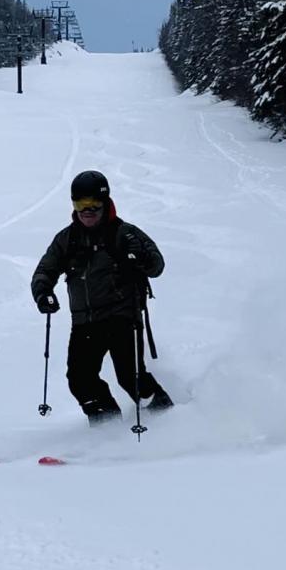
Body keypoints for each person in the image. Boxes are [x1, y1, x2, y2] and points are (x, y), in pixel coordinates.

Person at [31, 170, 174, 426]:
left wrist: (139, 259)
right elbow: (45, 269)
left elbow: (157, 265)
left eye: (93, 205)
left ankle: (168, 417)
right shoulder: (67, 239)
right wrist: (43, 292)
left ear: (105, 202)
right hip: (85, 321)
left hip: (122, 317)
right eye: (80, 204)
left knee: (130, 377)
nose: (87, 211)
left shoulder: (125, 233)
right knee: (80, 379)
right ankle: (107, 429)